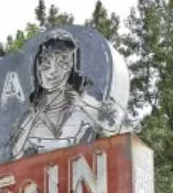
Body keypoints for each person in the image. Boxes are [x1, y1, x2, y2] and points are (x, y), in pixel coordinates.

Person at [10, 31, 126, 159]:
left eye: (62, 64)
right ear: (38, 68)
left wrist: (82, 105)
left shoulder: (82, 102)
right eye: (46, 64)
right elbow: (15, 152)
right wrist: (34, 116)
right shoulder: (33, 114)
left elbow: (114, 128)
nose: (52, 72)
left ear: (71, 68)